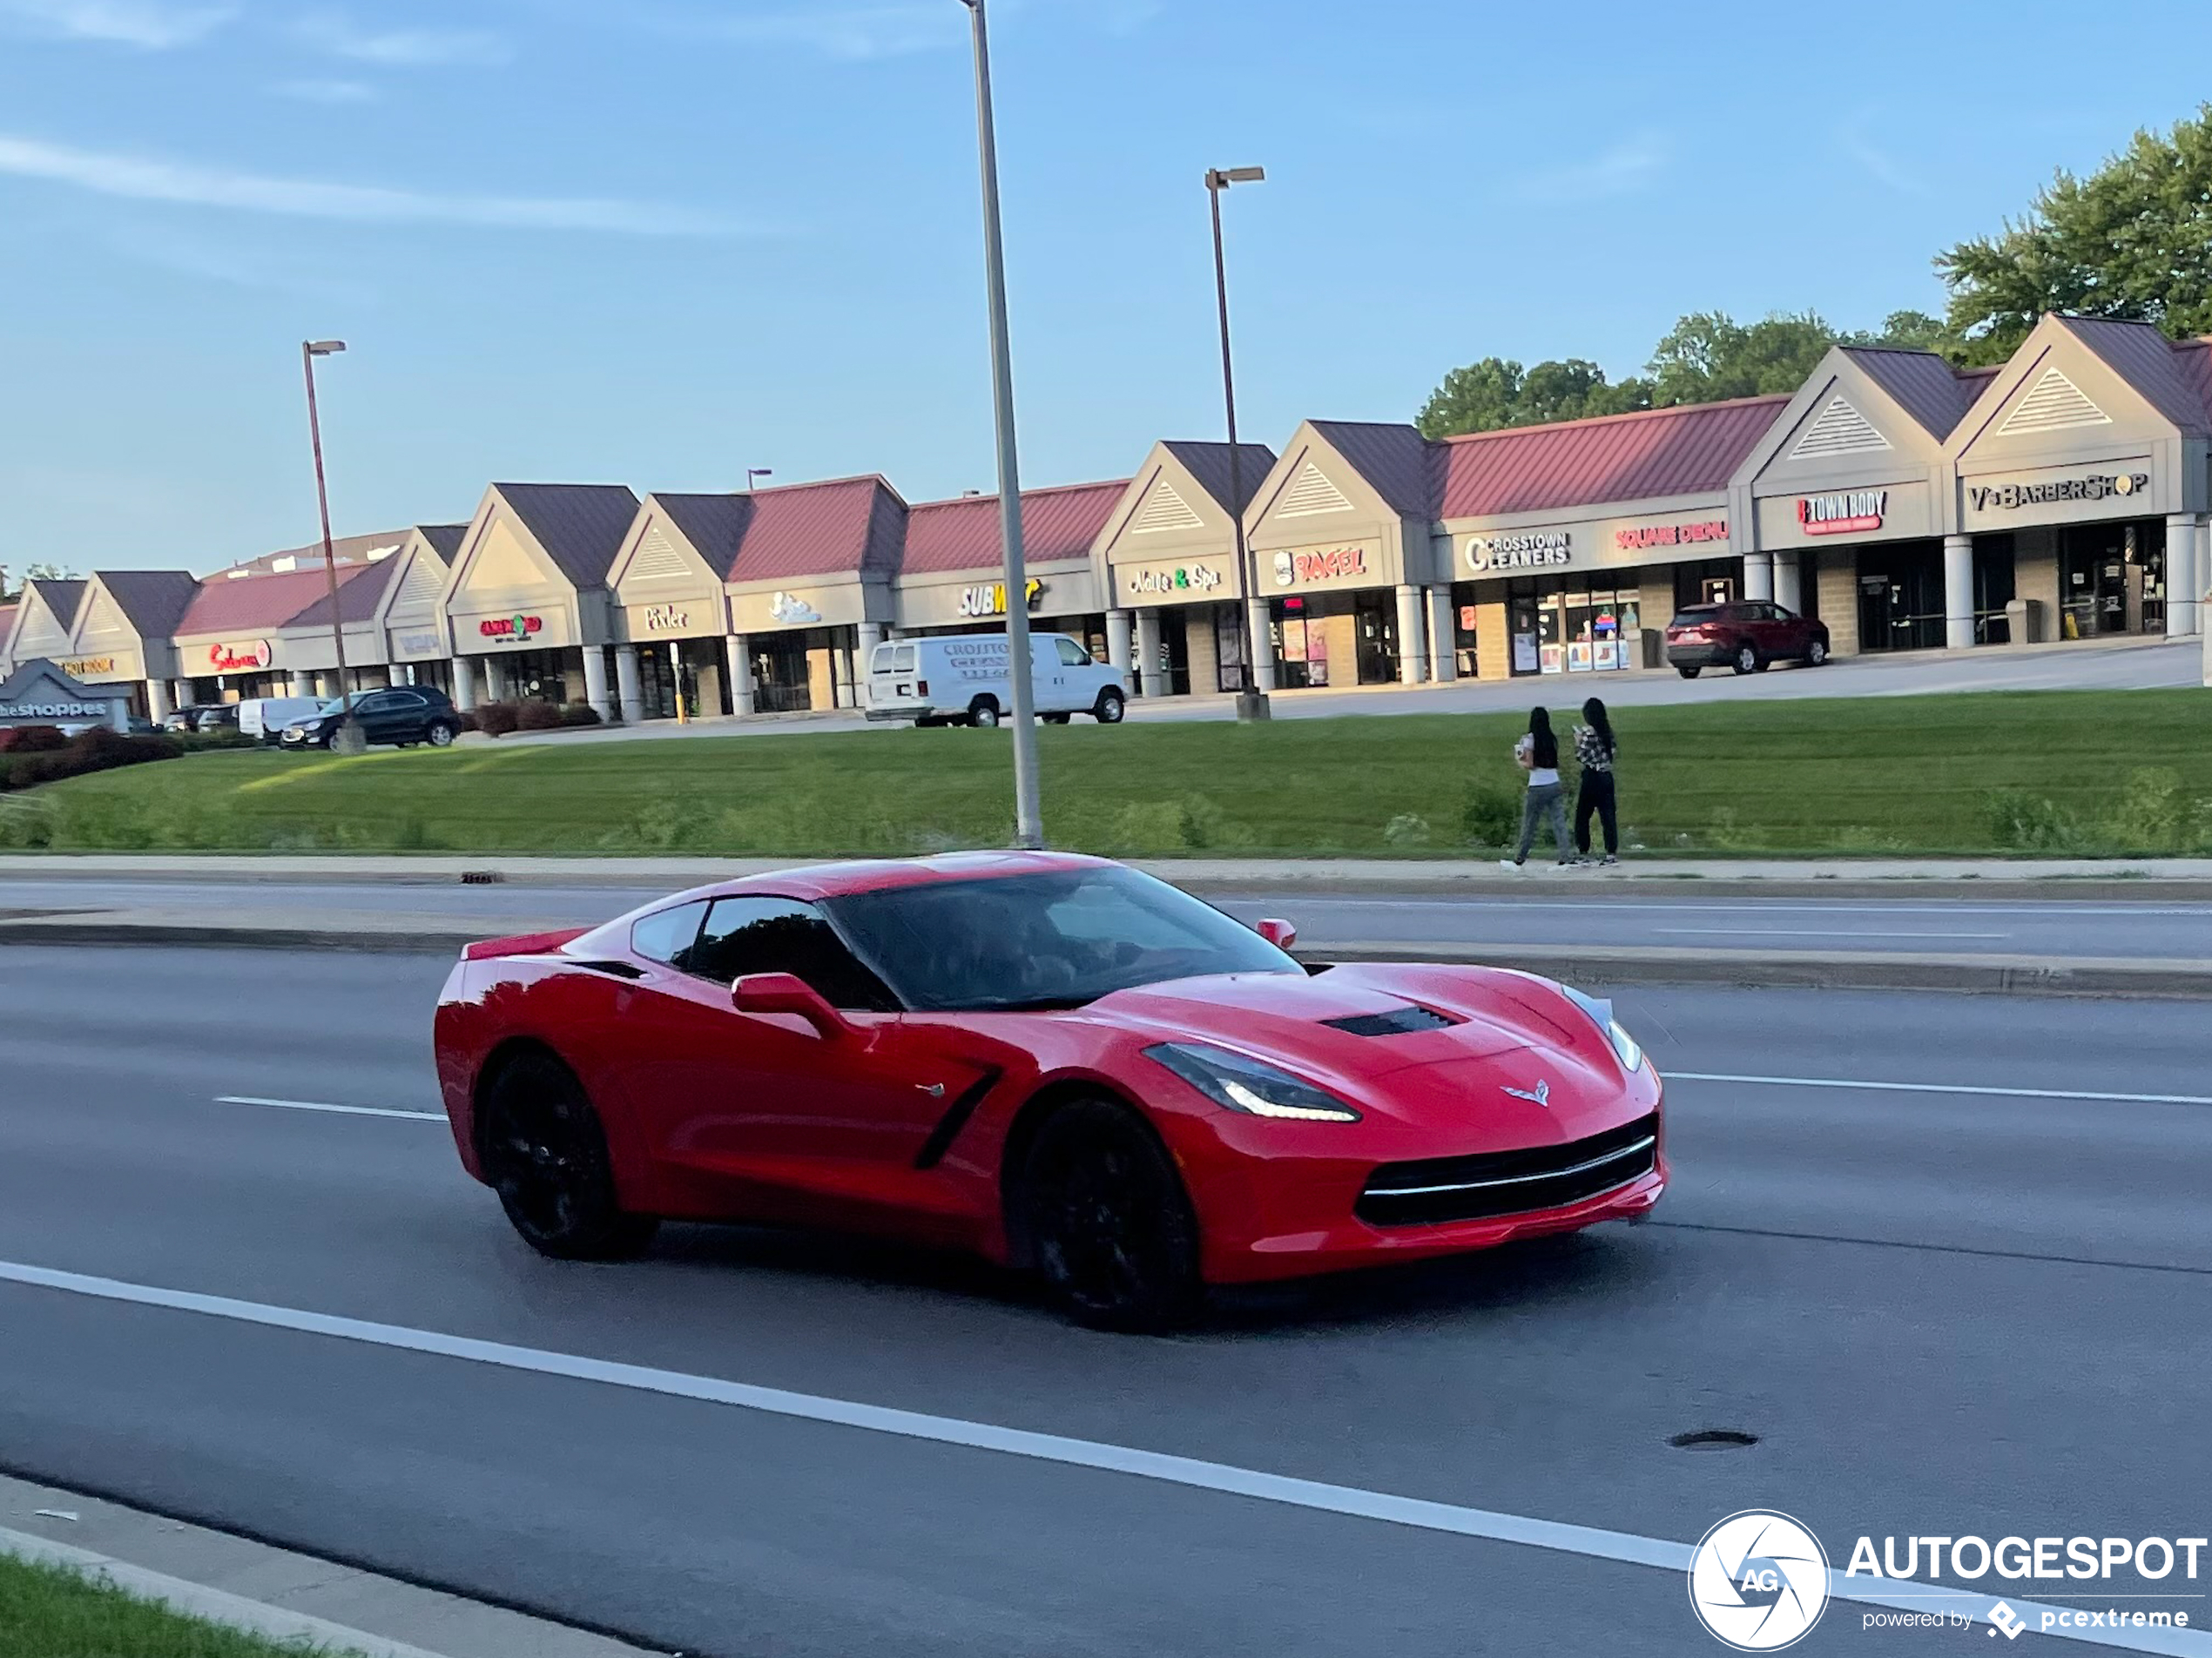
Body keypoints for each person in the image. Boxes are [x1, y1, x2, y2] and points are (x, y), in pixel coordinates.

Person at [1501, 707, 1571, 870]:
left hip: (1537, 786)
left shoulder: (1530, 739)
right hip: (1554, 782)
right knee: (1559, 822)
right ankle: (1566, 857)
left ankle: (1520, 859)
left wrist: (1519, 760)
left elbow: (1530, 764)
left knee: (1530, 825)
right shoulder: (1552, 739)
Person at [1572, 697, 1620, 866]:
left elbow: (1582, 756)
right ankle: (1611, 853)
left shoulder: (1588, 734)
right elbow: (1612, 752)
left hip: (1592, 776)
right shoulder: (1608, 731)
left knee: (1583, 815)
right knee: (1608, 816)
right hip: (1606, 775)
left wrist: (1578, 741)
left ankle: (1583, 850)